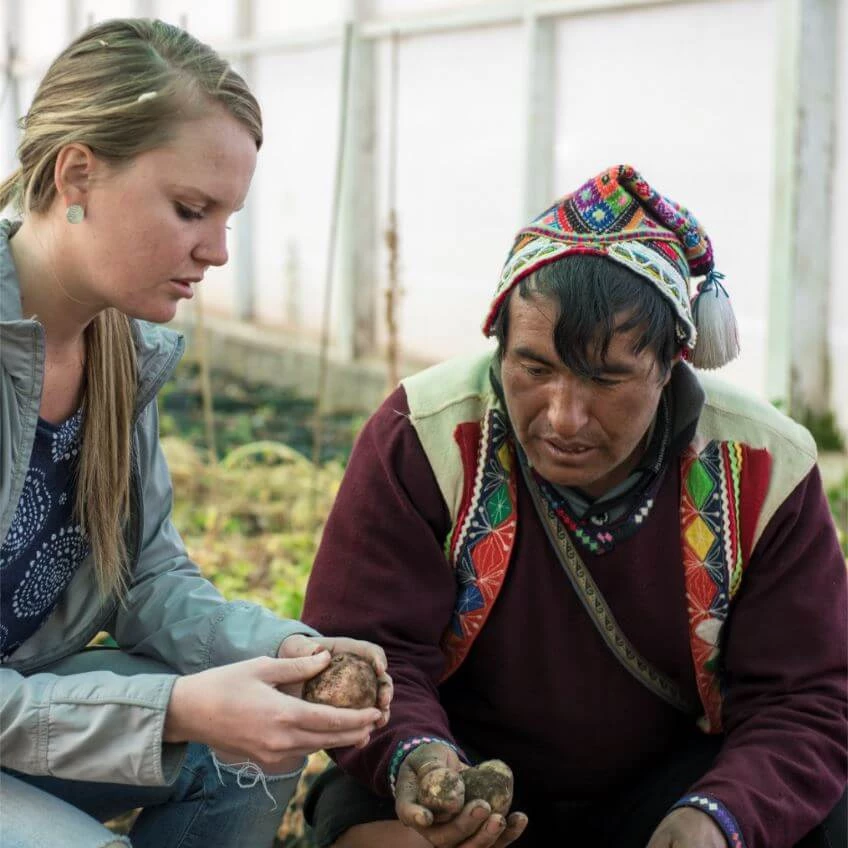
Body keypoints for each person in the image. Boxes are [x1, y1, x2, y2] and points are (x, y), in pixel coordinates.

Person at [300, 164, 847, 848]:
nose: (563, 416)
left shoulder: (765, 465)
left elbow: (804, 698)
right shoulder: (427, 434)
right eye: (534, 369)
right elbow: (364, 649)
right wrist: (421, 761)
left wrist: (715, 818)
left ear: (671, 365)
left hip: (672, 787)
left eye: (607, 379)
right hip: (465, 771)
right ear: (500, 345)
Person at [0, 18, 392, 848]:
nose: (216, 251)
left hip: (20, 710)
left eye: (227, 218)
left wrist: (292, 652)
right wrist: (173, 707)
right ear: (77, 173)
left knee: (256, 748)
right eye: (190, 209)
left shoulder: (116, 352)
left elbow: (144, 579)